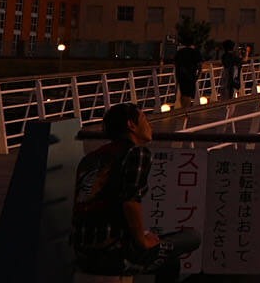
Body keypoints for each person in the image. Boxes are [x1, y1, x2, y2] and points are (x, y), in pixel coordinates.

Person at [71, 102, 200, 283]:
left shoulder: (90, 158)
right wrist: (142, 241)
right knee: (191, 238)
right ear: (131, 125)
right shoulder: (136, 153)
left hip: (82, 252)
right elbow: (130, 202)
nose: (150, 125)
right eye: (145, 119)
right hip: (113, 254)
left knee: (165, 253)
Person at [171, 41, 201, 106]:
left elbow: (176, 65)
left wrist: (177, 77)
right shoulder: (195, 52)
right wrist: (197, 76)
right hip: (191, 76)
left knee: (184, 93)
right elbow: (200, 66)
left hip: (182, 76)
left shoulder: (180, 52)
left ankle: (184, 107)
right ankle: (186, 108)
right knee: (188, 94)